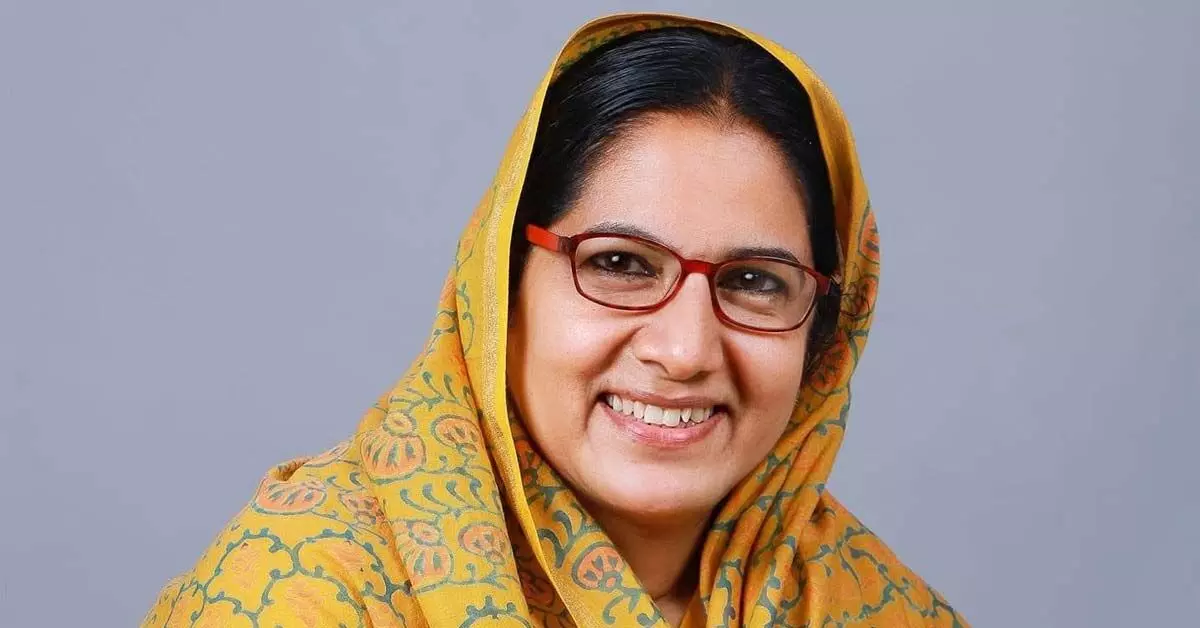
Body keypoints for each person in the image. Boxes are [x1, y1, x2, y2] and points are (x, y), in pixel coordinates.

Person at [143, 12, 967, 627]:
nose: (684, 350)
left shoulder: (865, 604)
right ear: (501, 284)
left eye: (755, 281)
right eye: (619, 264)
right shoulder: (307, 591)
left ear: (827, 332)